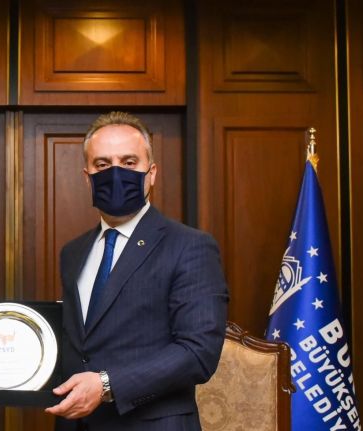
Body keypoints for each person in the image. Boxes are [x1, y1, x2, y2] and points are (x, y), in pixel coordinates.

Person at [46, 112, 229, 430]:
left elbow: (198, 352)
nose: (115, 173)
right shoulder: (73, 253)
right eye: (102, 164)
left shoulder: (190, 246)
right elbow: (76, 344)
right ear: (87, 176)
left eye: (129, 162)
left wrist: (106, 385)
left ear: (151, 173)